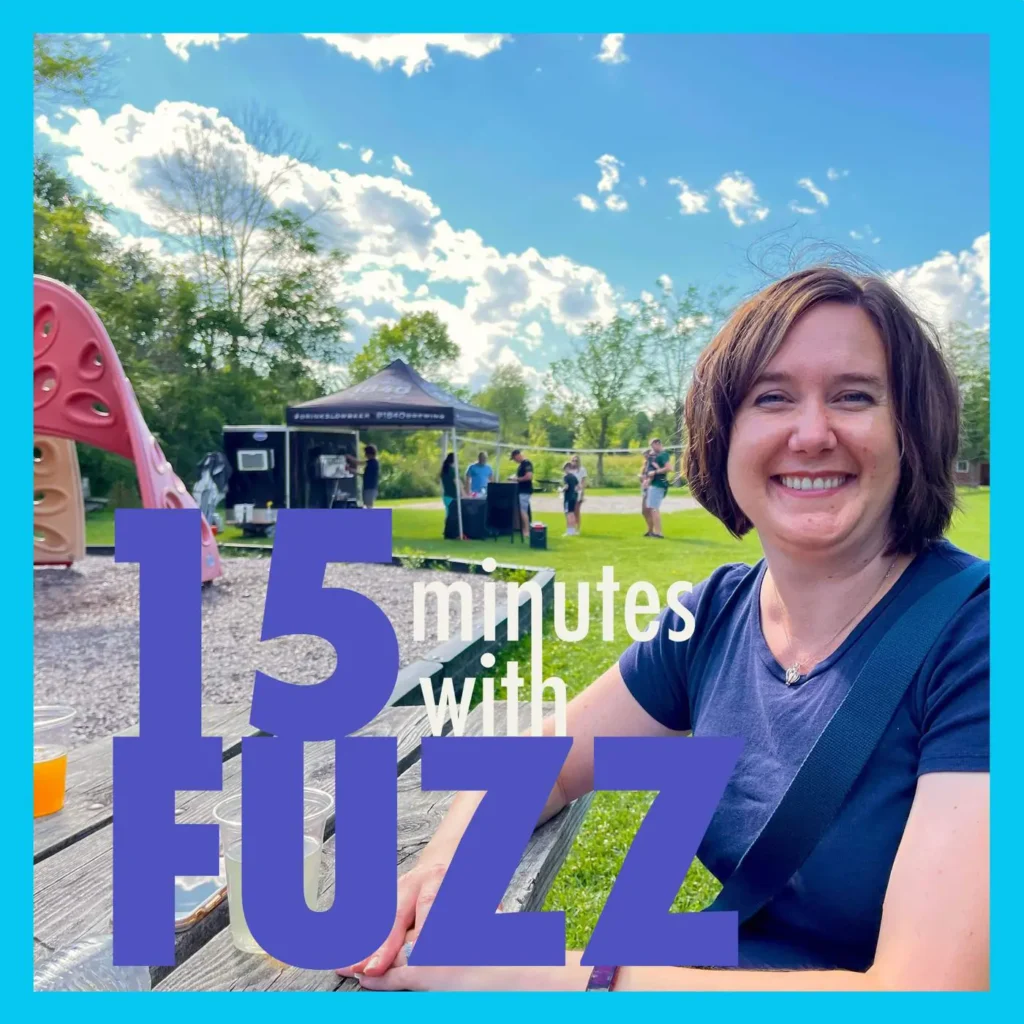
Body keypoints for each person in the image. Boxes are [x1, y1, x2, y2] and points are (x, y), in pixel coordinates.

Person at [338, 265, 989, 991]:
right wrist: (444, 869)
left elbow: (931, 993)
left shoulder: (981, 638)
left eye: (854, 396)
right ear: (724, 433)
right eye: (771, 397)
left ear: (911, 430)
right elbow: (544, 758)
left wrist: (522, 975)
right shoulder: (715, 616)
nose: (811, 433)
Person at [642, 438, 671, 538]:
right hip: (653, 484)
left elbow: (669, 468)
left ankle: (658, 532)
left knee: (654, 509)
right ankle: (654, 531)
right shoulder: (655, 456)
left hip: (658, 485)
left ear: (658, 444)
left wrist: (654, 472)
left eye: (653, 446)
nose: (652, 449)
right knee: (652, 509)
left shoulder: (663, 455)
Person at [509, 449, 533, 540]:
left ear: (517, 456)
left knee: (523, 511)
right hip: (521, 490)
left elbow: (529, 476)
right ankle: (524, 529)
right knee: (522, 510)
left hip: (525, 490)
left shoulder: (526, 463)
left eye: (514, 458)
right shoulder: (521, 465)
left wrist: (516, 479)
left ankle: (526, 531)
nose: (514, 461)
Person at [569, 454, 587, 532]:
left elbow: (583, 482)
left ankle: (577, 528)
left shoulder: (582, 470)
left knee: (576, 511)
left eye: (576, 461)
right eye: (573, 460)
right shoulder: (569, 470)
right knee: (570, 511)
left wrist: (582, 493)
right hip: (570, 492)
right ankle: (570, 529)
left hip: (578, 492)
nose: (574, 462)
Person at [562, 461, 579, 536]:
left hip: (568, 498)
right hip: (573, 497)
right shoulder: (574, 477)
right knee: (572, 514)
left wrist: (562, 489)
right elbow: (578, 487)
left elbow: (566, 486)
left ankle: (569, 531)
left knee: (568, 514)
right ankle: (573, 530)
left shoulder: (566, 477)